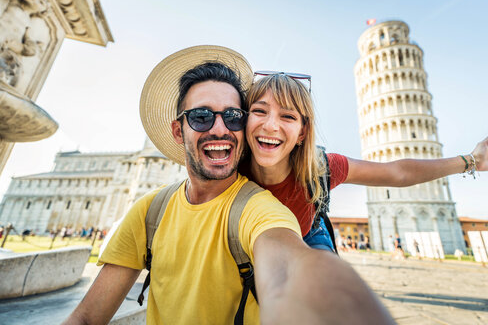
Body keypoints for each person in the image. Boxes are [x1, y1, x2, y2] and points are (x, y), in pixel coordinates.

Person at [62, 46, 394, 325]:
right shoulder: (150, 211)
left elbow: (288, 268)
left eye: (233, 116)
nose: (220, 128)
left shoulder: (260, 209)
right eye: (202, 117)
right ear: (179, 131)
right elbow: (87, 318)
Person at [242, 72, 488, 252]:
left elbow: (397, 172)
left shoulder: (322, 168)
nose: (271, 125)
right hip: (250, 242)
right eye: (259, 111)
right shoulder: (231, 171)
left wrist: (470, 160)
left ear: (303, 132)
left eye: (288, 116)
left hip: (306, 236)